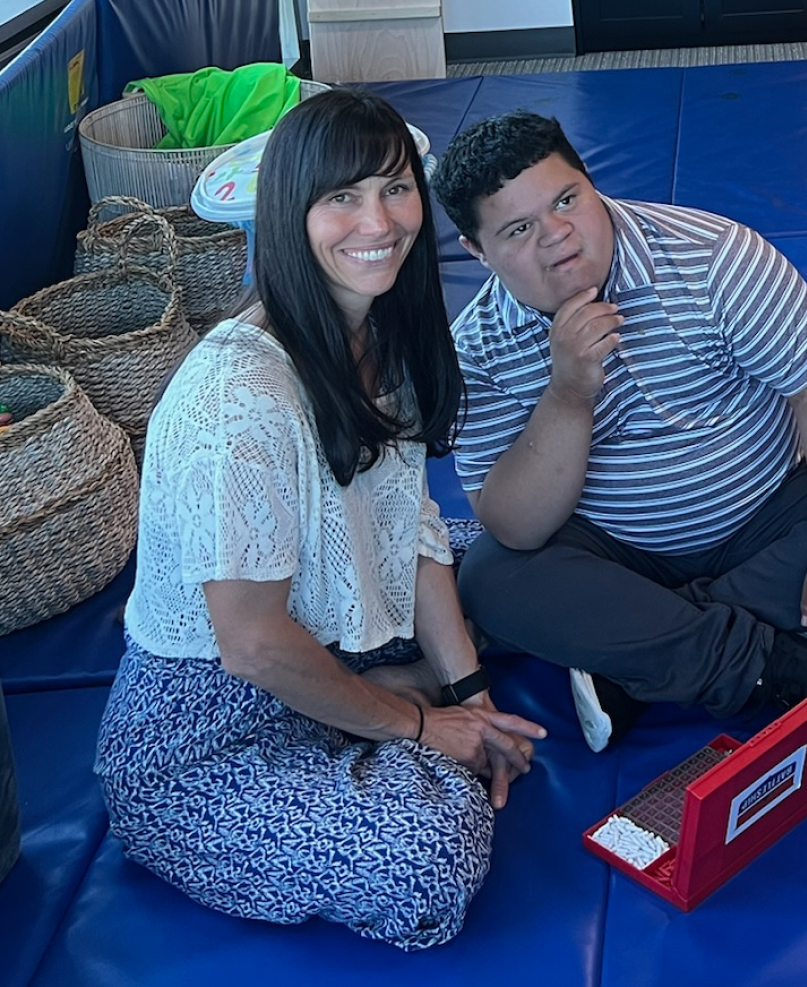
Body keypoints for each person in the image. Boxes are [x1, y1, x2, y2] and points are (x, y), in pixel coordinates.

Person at [95, 89, 545, 952]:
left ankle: (363, 702)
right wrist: (421, 723)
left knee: (506, 552)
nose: (376, 220)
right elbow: (253, 646)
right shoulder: (238, 398)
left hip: (325, 629)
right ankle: (363, 710)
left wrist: (467, 693)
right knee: (426, 863)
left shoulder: (384, 331)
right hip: (206, 733)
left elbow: (407, 524)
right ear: (288, 214)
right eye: (340, 196)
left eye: (393, 186)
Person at [431, 109, 807, 752]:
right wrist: (570, 392)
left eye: (567, 200)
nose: (557, 236)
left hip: (763, 516)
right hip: (611, 548)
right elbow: (516, 524)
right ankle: (779, 669)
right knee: (493, 580)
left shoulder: (714, 256)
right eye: (520, 229)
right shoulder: (474, 347)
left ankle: (638, 664)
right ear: (476, 251)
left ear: (590, 180)